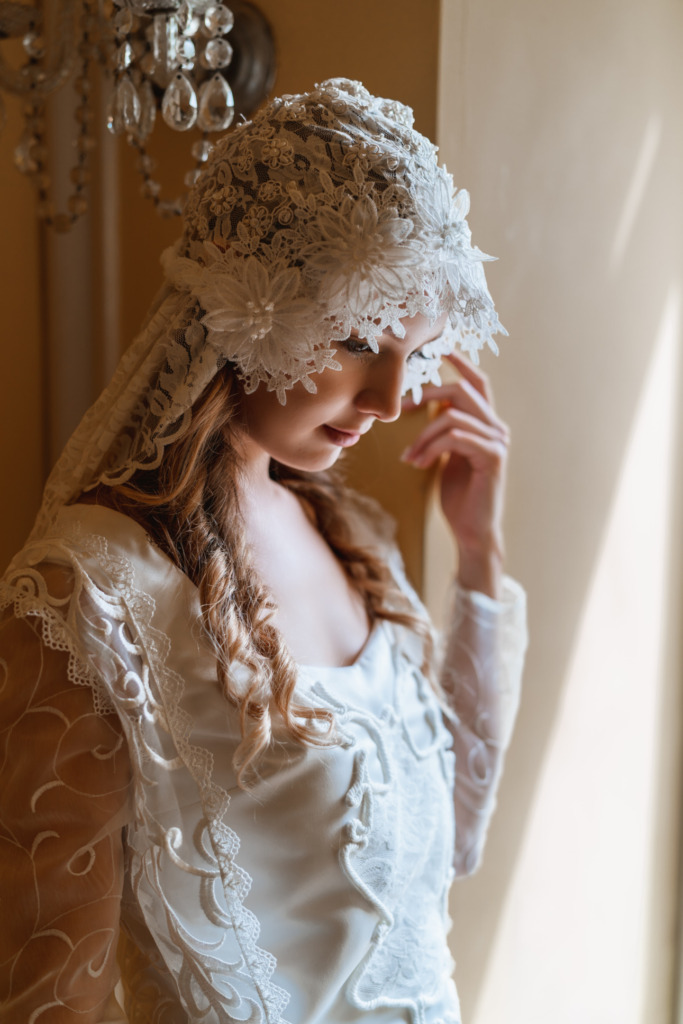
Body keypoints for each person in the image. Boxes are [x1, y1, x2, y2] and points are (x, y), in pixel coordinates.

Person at [0, 78, 527, 1023]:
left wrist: (478, 555)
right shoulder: (93, 592)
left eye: (417, 347)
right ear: (244, 304)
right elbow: (47, 997)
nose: (391, 397)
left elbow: (448, 844)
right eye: (360, 336)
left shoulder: (352, 534)